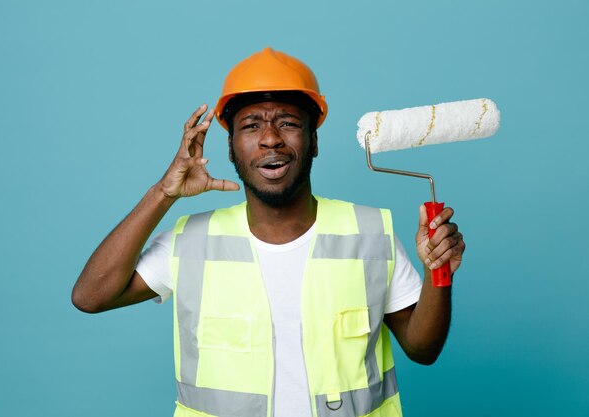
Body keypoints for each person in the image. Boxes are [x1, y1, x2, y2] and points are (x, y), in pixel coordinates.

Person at [72, 47, 465, 417]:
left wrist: (438, 273)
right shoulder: (190, 242)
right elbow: (90, 296)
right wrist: (164, 193)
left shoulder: (369, 233)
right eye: (251, 125)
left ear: (313, 142)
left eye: (289, 123)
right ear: (230, 148)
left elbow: (422, 348)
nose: (271, 138)